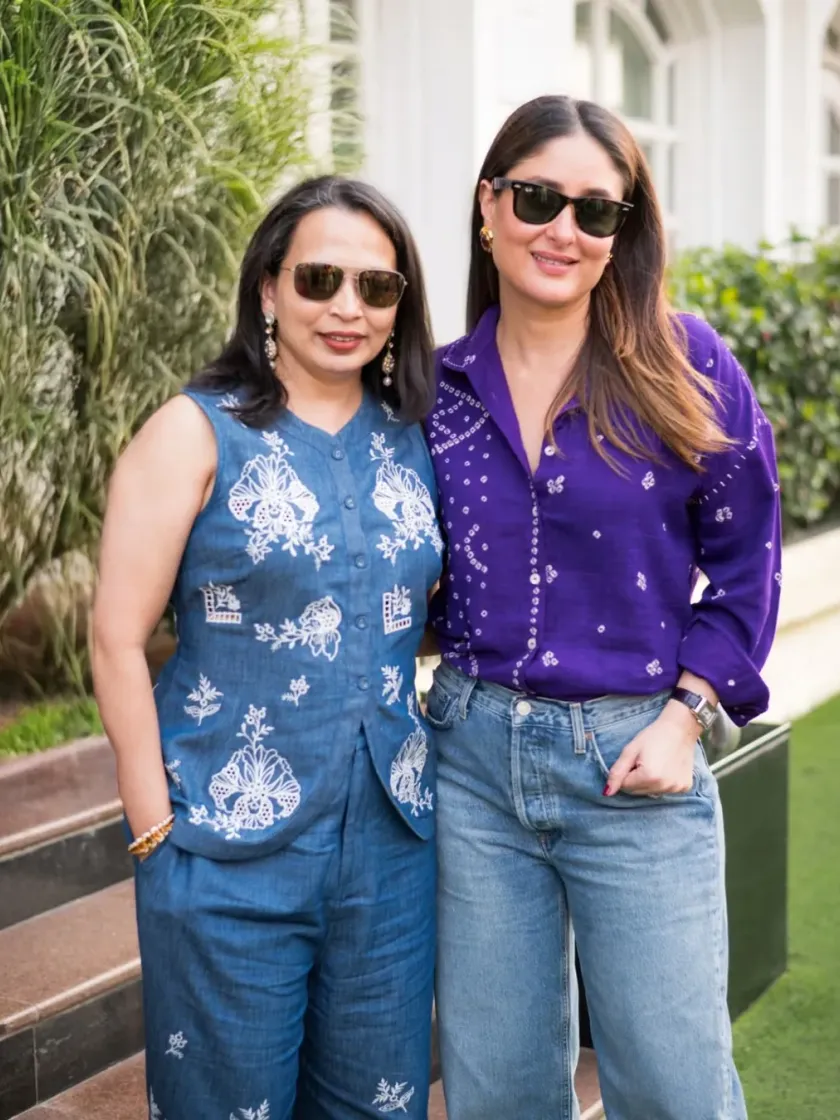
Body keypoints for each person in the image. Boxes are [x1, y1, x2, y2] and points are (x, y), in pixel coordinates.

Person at [423, 95, 781, 1120]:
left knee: (675, 1089)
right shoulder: (435, 390)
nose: (563, 231)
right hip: (473, 766)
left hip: (637, 761)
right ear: (489, 206)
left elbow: (749, 561)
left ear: (623, 232)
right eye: (538, 198)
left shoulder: (685, 364)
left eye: (595, 211)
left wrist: (687, 716)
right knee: (497, 1093)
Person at [91, 175, 443, 1120]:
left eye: (377, 287)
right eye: (321, 278)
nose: (348, 307)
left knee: (379, 1106)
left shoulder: (413, 439)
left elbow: (409, 610)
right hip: (223, 843)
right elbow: (116, 636)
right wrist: (153, 829)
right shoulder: (193, 432)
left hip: (392, 850)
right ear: (268, 290)